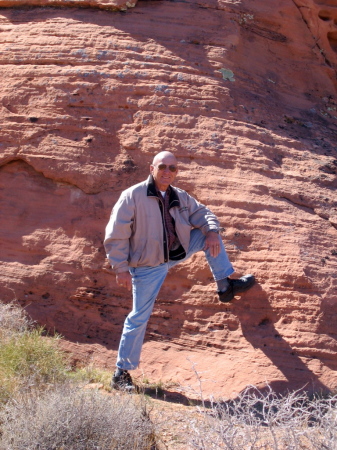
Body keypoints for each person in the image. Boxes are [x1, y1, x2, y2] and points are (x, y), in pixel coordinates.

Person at [104, 151, 255, 390]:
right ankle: (120, 373)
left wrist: (212, 230)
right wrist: (120, 267)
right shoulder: (132, 196)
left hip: (175, 252)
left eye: (172, 168)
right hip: (147, 266)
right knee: (138, 317)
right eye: (162, 166)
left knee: (209, 235)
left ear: (177, 171)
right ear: (151, 168)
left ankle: (225, 285)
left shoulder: (179, 196)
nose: (167, 172)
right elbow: (116, 234)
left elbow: (202, 213)